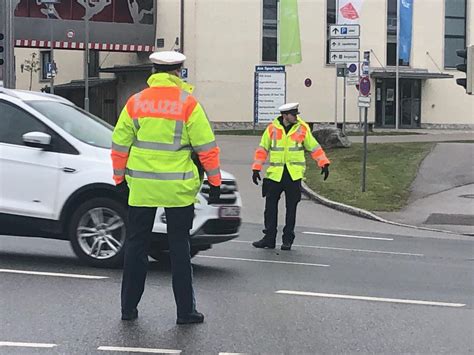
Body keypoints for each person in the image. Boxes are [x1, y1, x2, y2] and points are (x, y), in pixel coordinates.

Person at [111, 51, 221, 324]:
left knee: (136, 247)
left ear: (153, 71)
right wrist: (215, 181)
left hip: (142, 188)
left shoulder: (135, 103)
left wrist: (119, 180)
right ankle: (185, 312)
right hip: (177, 189)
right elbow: (206, 147)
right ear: (178, 72)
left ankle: (128, 309)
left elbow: (120, 144)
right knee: (180, 249)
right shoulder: (188, 104)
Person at [251, 103, 330, 251]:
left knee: (291, 209)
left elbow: (314, 147)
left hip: (293, 175)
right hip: (275, 174)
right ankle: (269, 238)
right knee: (270, 208)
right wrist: (256, 168)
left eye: (296, 114)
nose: (296, 116)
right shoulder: (272, 129)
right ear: (285, 115)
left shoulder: (302, 128)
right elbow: (262, 149)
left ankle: (287, 240)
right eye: (293, 114)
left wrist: (323, 163)